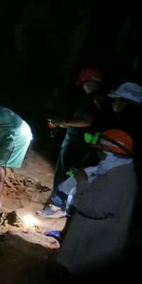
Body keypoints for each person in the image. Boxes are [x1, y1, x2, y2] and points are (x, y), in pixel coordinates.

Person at [55, 129, 137, 274]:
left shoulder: (118, 180)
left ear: (108, 153)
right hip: (91, 242)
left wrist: (82, 182)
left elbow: (92, 208)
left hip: (93, 250)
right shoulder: (118, 171)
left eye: (100, 151)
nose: (98, 155)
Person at [40, 67, 105, 218]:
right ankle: (58, 203)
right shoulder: (92, 98)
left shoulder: (96, 99)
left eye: (84, 83)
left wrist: (64, 123)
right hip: (76, 139)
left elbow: (88, 121)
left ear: (91, 81)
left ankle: (59, 206)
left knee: (68, 172)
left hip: (80, 142)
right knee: (64, 170)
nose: (83, 86)